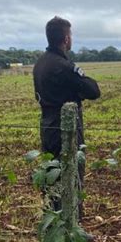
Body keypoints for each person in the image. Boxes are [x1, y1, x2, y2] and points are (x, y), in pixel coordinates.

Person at [33, 16, 101, 214]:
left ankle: (52, 216)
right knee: (72, 171)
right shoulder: (63, 66)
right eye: (70, 35)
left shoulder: (40, 64)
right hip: (66, 126)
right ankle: (72, 225)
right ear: (65, 39)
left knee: (51, 171)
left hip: (47, 124)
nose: (71, 39)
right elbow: (93, 90)